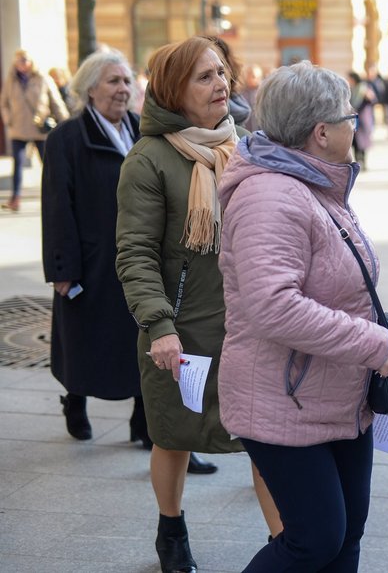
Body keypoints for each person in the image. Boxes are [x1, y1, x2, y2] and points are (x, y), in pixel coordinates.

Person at [216, 62, 388, 571]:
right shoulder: (270, 195)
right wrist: (374, 343)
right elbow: (273, 306)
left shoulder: (314, 184)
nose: (357, 124)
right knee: (314, 539)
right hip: (283, 399)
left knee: (346, 536)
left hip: (336, 394)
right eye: (351, 116)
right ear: (321, 132)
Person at [114, 36, 281, 573]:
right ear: (172, 91)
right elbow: (135, 252)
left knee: (270, 438)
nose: (221, 84)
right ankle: (171, 527)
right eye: (204, 77)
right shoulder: (150, 159)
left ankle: (288, 544)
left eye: (221, 73)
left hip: (251, 324)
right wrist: (159, 325)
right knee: (175, 436)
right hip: (182, 329)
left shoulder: (248, 145)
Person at [41, 50, 147, 446]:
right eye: (113, 81)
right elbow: (56, 206)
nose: (123, 90)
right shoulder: (66, 138)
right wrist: (62, 269)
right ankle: (75, 399)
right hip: (90, 260)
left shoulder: (142, 130)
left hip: (136, 259)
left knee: (141, 339)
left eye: (126, 81)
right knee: (82, 340)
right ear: (89, 89)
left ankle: (144, 418)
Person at [1, 49, 69, 211]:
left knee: (48, 164)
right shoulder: (11, 81)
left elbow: (55, 102)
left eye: (24, 60)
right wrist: (8, 119)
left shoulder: (43, 79)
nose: (21, 64)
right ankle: (15, 198)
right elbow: (4, 103)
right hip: (18, 127)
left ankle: (57, 197)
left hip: (39, 128)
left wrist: (66, 123)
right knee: (17, 163)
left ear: (31, 62)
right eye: (18, 61)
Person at [347, 71, 375, 167]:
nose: (348, 80)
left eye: (349, 78)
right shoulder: (350, 89)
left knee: (362, 141)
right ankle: (358, 161)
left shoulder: (364, 88)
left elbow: (372, 100)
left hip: (363, 118)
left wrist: (369, 97)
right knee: (354, 141)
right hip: (353, 118)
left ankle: (363, 160)